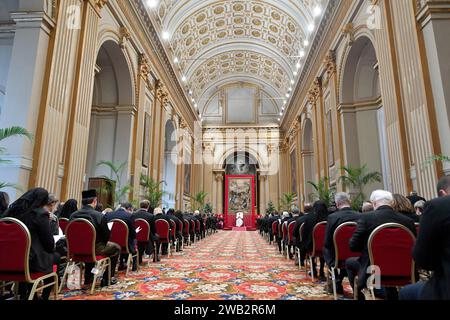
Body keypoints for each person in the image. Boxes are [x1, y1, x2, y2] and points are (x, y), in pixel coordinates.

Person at [346, 190, 416, 300]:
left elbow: (353, 246)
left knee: (350, 262)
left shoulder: (366, 218)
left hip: (374, 270)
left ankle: (363, 295)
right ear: (391, 203)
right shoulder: (408, 221)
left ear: (373, 203)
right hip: (405, 269)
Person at [3, 188, 61, 300]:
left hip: (6, 261)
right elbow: (49, 244)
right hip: (29, 263)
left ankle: (30, 294)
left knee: (30, 255)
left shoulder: (10, 212)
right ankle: (44, 296)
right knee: (56, 257)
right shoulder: (40, 214)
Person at [400, 176, 450, 300]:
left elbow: (423, 259)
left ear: (442, 193)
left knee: (406, 292)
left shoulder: (438, 206)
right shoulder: (409, 221)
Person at [70, 189, 120, 286]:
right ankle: (107, 278)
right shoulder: (99, 216)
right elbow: (106, 236)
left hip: (75, 249)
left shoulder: (73, 215)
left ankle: (88, 277)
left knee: (91, 244)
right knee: (116, 247)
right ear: (94, 201)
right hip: (94, 248)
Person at [323, 192, 360, 295]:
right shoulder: (360, 216)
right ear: (350, 202)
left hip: (337, 257)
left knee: (326, 249)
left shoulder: (332, 217)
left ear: (337, 203)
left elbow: (327, 241)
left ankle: (335, 279)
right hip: (357, 255)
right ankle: (339, 278)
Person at [302, 201, 329, 281]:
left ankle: (313, 269)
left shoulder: (308, 218)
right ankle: (321, 270)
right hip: (326, 247)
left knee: (309, 244)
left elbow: (304, 234)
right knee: (324, 246)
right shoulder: (330, 218)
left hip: (312, 247)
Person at [106, 202, 137, 271]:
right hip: (125, 245)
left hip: (110, 243)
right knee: (133, 240)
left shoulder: (108, 215)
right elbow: (133, 234)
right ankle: (134, 266)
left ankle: (121, 264)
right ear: (129, 209)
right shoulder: (129, 216)